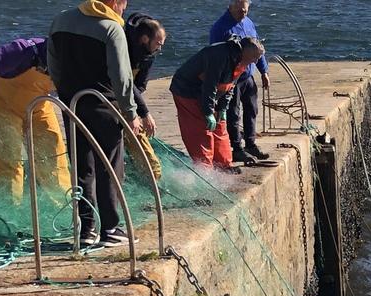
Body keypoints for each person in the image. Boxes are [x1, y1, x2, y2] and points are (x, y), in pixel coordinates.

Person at [49, 0, 142, 247]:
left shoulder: (60, 20)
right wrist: (131, 113)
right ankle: (111, 228)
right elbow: (122, 77)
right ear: (112, 2)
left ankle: (86, 229)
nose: (124, 8)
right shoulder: (111, 28)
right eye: (124, 3)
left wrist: (64, 94)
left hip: (73, 103)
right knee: (110, 166)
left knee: (82, 166)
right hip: (104, 103)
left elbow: (53, 64)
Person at [0, 38, 72, 202]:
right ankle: (9, 213)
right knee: (5, 161)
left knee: (53, 155)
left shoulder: (73, 59)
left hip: (39, 106)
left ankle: (65, 206)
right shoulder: (23, 50)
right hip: (3, 107)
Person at [169, 36, 265, 172]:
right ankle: (205, 171)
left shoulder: (242, 61)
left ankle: (224, 165)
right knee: (201, 130)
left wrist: (222, 108)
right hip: (187, 90)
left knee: (220, 126)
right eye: (255, 57)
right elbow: (210, 84)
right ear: (246, 52)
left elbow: (230, 86)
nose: (256, 61)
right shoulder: (220, 55)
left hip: (210, 94)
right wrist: (208, 112)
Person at [209, 0, 271, 163]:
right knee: (233, 113)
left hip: (248, 76)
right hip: (232, 78)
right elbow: (214, 55)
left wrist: (264, 71)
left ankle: (251, 144)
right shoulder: (220, 27)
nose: (243, 13)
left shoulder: (248, 23)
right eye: (241, 11)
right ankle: (236, 148)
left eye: (246, 10)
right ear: (232, 5)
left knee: (252, 109)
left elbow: (257, 48)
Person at [123, 13, 165, 181]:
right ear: (145, 39)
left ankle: (146, 176)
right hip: (110, 95)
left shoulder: (148, 55)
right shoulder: (123, 45)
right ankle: (149, 176)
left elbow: (139, 85)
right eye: (158, 43)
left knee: (136, 134)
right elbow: (124, 79)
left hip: (129, 98)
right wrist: (144, 113)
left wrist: (136, 108)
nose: (159, 48)